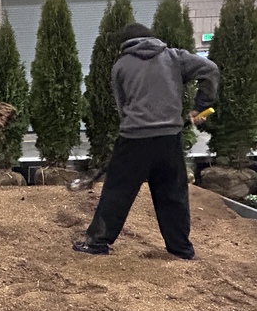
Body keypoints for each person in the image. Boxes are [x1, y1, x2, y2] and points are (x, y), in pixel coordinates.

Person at [73, 23, 219, 260]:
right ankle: (181, 249)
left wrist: (135, 122)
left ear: (124, 45)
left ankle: (98, 242)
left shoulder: (121, 65)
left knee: (117, 192)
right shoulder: (174, 57)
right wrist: (201, 105)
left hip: (134, 139)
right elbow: (210, 69)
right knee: (173, 194)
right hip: (169, 139)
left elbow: (122, 105)